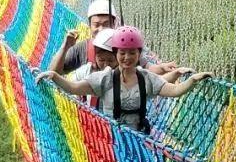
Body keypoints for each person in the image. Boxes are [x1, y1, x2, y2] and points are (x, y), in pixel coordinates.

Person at [36, 26, 211, 132]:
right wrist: (55, 76)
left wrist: (193, 80)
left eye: (132, 53)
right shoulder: (104, 79)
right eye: (122, 53)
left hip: (137, 140)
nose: (127, 57)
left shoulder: (146, 78)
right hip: (109, 138)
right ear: (116, 54)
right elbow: (74, 88)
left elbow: (173, 91)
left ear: (139, 54)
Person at [48, 0, 176, 76]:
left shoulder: (125, 49)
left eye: (106, 24)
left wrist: (163, 68)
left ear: (114, 24)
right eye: (96, 25)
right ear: (89, 26)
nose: (101, 29)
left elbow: (148, 68)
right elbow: (54, 73)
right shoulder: (83, 49)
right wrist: (65, 47)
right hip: (88, 115)